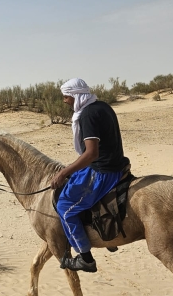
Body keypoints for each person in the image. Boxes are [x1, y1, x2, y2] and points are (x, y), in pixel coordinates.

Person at [49, 78, 130, 273]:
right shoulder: (102, 106)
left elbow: (91, 153)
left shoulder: (87, 115)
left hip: (103, 171)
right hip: (113, 164)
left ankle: (85, 258)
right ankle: (105, 237)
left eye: (66, 96)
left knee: (65, 208)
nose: (64, 101)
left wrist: (64, 171)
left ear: (76, 95)